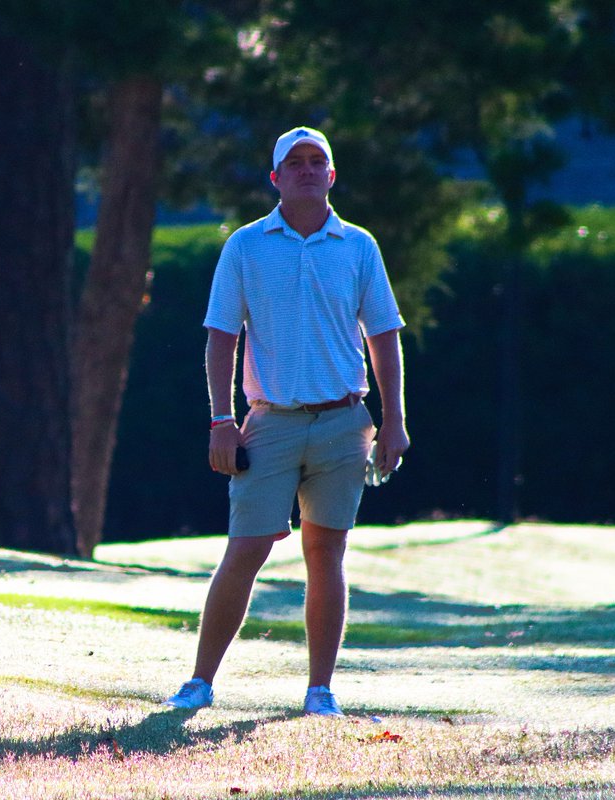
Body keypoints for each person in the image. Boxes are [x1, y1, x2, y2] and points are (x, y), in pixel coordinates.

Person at [162, 126, 409, 716]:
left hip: (344, 422)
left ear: (331, 175)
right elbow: (221, 337)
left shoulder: (359, 246)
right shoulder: (246, 246)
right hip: (267, 422)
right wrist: (222, 420)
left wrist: (394, 420)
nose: (305, 169)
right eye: (292, 162)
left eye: (316, 160)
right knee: (245, 549)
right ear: (275, 178)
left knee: (327, 553)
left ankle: (320, 692)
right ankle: (199, 683)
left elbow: (384, 337)